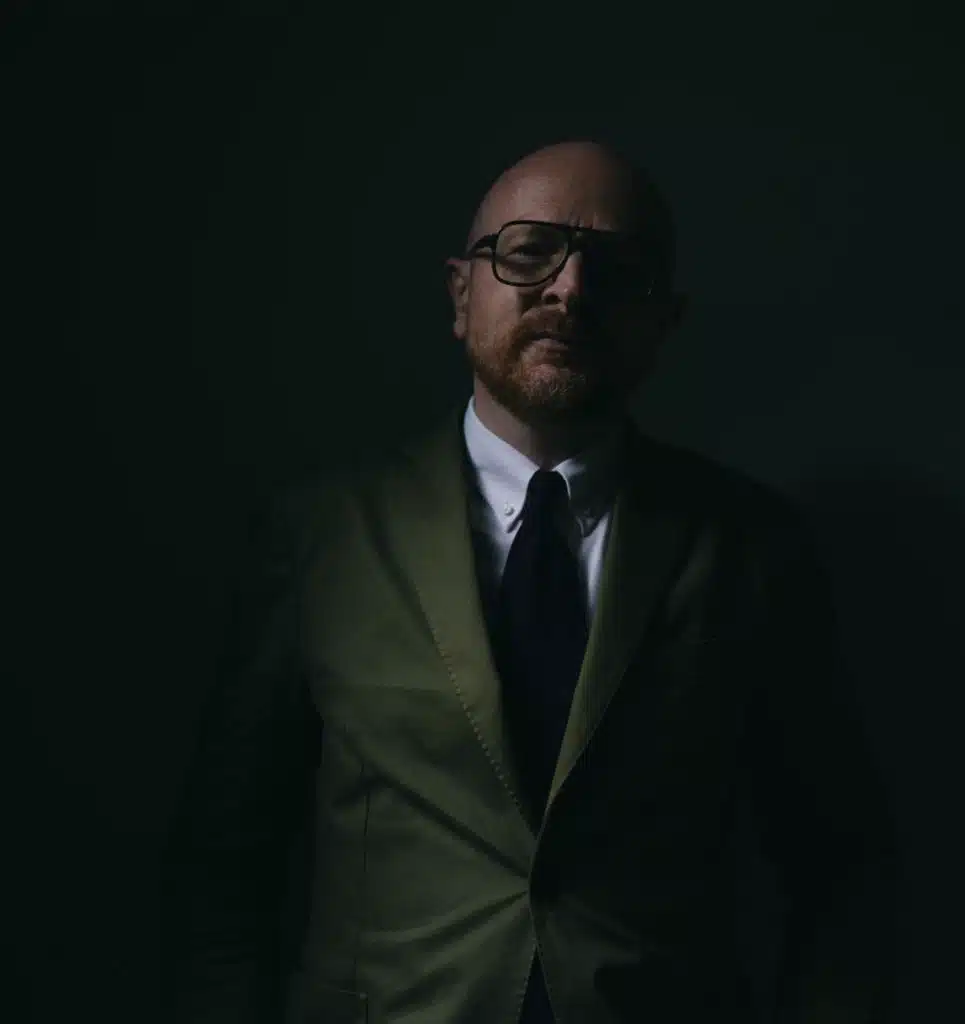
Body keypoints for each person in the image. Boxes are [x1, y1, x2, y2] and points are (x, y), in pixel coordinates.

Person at [160, 140, 902, 1024]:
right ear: (460, 293)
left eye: (616, 270)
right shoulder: (323, 537)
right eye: (528, 252)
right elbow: (223, 863)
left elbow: (841, 859)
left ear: (665, 321)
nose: (570, 290)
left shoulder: (751, 546)